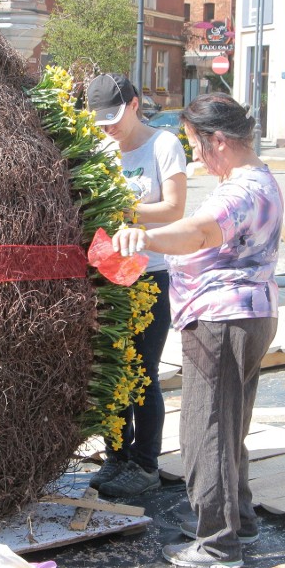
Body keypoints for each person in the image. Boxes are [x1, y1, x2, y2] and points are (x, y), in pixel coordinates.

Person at [111, 92, 283, 568]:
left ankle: (217, 543)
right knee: (228, 428)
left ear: (220, 142)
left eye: (196, 146)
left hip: (223, 320)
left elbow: (199, 231)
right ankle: (236, 522)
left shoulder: (240, 191)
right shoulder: (260, 179)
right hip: (249, 315)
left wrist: (141, 236)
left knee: (206, 429)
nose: (195, 158)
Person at [86, 73, 187, 497]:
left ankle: (145, 464)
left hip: (151, 275)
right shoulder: (101, 149)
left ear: (133, 105)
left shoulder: (164, 145)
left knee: (143, 372)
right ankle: (117, 457)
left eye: (114, 117)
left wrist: (122, 209)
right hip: (109, 274)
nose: (109, 128)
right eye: (100, 120)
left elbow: (175, 209)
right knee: (110, 370)